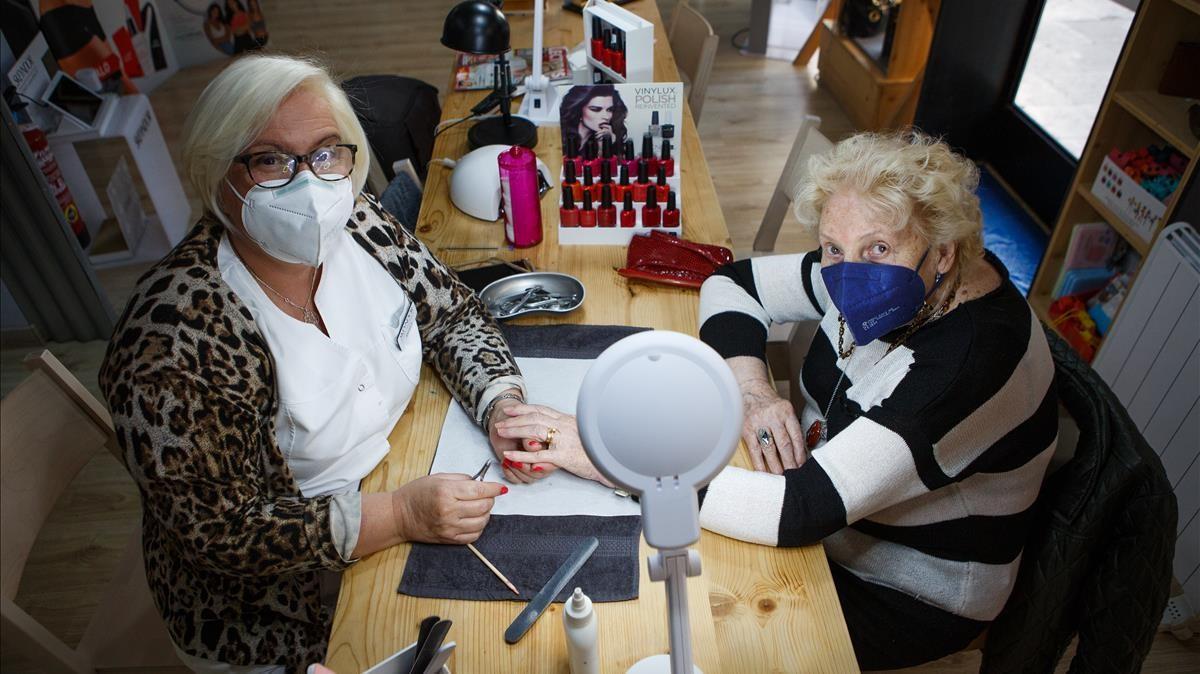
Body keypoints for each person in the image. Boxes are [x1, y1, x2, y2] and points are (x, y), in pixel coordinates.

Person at [494, 131, 1059, 670]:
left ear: (943, 252)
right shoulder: (881, 278)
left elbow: (799, 512)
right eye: (832, 248)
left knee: (687, 629)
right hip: (825, 505)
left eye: (877, 247)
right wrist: (753, 391)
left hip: (899, 584)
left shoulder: (967, 361)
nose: (846, 273)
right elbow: (731, 282)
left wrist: (608, 455)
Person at [99, 55, 531, 672]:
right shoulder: (171, 341)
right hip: (278, 599)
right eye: (271, 160)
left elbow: (453, 316)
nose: (310, 183)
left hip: (399, 470)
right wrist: (400, 514)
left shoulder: (356, 220)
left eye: (327, 152)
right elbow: (225, 536)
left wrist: (498, 401)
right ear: (214, 170)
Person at [559, 84, 628, 158]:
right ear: (578, 110)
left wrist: (607, 145)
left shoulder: (606, 138)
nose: (606, 116)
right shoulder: (562, 139)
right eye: (596, 109)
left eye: (609, 110)